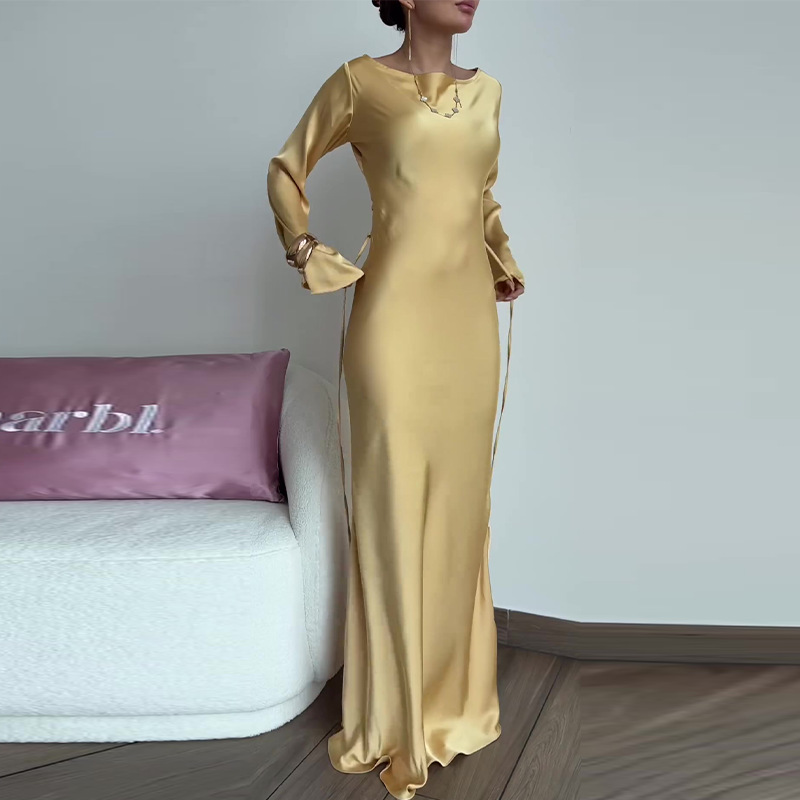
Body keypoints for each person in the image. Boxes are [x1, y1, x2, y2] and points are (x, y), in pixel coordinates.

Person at [266, 1, 525, 797]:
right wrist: (305, 248)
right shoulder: (359, 85)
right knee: (389, 504)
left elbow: (479, 195)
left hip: (468, 325)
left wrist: (501, 255)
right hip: (392, 322)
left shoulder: (489, 92)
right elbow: (286, 168)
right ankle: (395, 714)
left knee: (460, 507)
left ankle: (453, 703)